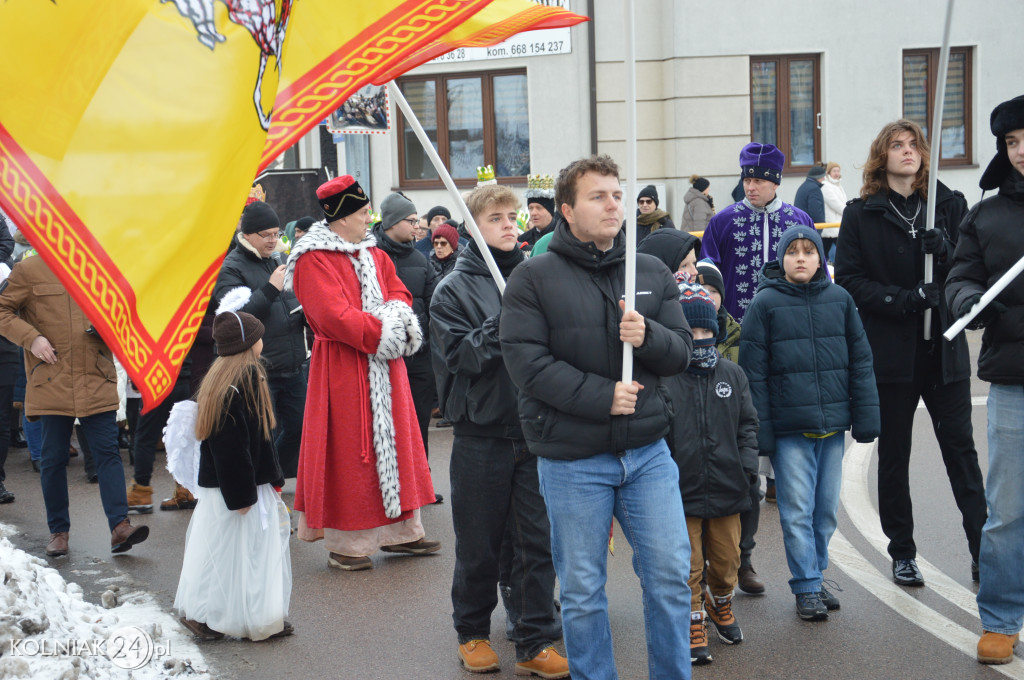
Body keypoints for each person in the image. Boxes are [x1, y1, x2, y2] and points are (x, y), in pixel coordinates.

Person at [500, 155, 694, 680]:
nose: (613, 204)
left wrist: (647, 336)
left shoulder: (649, 271)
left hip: (648, 454)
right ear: (566, 210)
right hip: (572, 460)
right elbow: (527, 365)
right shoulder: (533, 278)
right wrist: (602, 396)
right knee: (584, 590)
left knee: (671, 578)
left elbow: (683, 352)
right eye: (597, 196)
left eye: (616, 194)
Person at [834, 119, 986, 587]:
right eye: (897, 146)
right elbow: (851, 281)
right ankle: (902, 551)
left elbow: (970, 268)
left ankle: (984, 550)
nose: (907, 152)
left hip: (943, 350)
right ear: (883, 157)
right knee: (895, 454)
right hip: (894, 353)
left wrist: (946, 251)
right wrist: (904, 300)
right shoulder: (863, 213)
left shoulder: (948, 204)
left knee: (961, 452)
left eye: (914, 145)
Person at [431, 184, 568, 678]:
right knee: (479, 543)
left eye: (513, 216)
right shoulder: (453, 288)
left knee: (537, 542)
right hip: (481, 436)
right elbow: (460, 356)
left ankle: (533, 638)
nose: (510, 224)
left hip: (535, 432)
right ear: (473, 227)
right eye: (496, 218)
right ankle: (471, 632)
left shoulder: (535, 278)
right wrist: (502, 321)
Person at [286, 175, 439, 571]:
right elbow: (332, 316)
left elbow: (399, 293)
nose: (369, 218)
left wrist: (395, 319)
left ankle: (403, 533)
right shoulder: (311, 259)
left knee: (398, 445)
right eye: (361, 212)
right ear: (340, 218)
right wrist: (384, 333)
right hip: (343, 367)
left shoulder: (375, 254)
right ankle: (349, 543)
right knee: (351, 454)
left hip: (385, 367)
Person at [740, 225, 879, 621]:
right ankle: (805, 586)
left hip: (832, 426)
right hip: (789, 430)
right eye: (792, 252)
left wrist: (866, 417)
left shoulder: (840, 299)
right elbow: (753, 373)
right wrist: (760, 432)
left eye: (808, 251)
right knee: (796, 511)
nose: (800, 258)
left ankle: (815, 576)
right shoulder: (764, 304)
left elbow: (861, 361)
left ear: (821, 259)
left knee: (826, 512)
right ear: (781, 259)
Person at [945, 94, 1024, 665]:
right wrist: (970, 299)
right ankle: (1000, 617)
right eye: (1012, 142)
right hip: (1014, 379)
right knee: (1008, 508)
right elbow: (960, 278)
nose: (1020, 152)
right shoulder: (987, 215)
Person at [0, 254, 149, 556]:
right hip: (51, 380)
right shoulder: (28, 270)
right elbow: (2, 311)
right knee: (53, 460)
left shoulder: (100, 265)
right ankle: (59, 531)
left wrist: (111, 326)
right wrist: (32, 339)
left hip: (96, 375)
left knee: (108, 454)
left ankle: (120, 527)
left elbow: (128, 309)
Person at [174, 307, 292, 642]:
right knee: (226, 554)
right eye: (258, 336)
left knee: (251, 553)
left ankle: (257, 616)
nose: (262, 340)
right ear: (247, 344)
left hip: (250, 483)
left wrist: (274, 477)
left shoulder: (249, 377)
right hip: (235, 489)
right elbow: (230, 449)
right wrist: (241, 497)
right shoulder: (232, 388)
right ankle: (205, 615)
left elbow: (262, 438)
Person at [666, 280, 758, 665]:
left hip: (726, 488)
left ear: (716, 332)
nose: (699, 338)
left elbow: (748, 425)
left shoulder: (731, 375)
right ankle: (692, 621)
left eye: (706, 331)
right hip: (680, 491)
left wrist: (748, 466)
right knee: (686, 566)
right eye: (690, 332)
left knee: (725, 563)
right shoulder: (667, 378)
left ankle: (720, 602)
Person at [212, 201, 307, 479]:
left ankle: (272, 475)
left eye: (276, 234)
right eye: (266, 235)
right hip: (259, 369)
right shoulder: (231, 267)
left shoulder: (278, 259)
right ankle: (265, 483)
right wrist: (270, 289)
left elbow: (290, 305)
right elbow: (234, 319)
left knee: (300, 428)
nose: (273, 240)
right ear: (248, 234)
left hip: (294, 364)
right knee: (263, 435)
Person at [693, 257, 763, 596]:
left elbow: (747, 406)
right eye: (700, 288)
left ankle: (743, 561)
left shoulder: (738, 333)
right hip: (695, 453)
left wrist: (748, 461)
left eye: (713, 290)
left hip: (730, 446)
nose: (707, 295)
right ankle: (698, 587)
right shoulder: (682, 336)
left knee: (750, 495)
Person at [702, 143, 816, 322]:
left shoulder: (800, 221)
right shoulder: (722, 222)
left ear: (775, 183)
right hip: (734, 325)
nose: (750, 187)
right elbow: (707, 274)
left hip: (790, 322)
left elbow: (817, 273)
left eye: (758, 181)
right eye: (747, 180)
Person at [373, 193, 439, 476]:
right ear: (391, 222)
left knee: (418, 421)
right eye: (411, 220)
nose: (417, 226)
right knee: (384, 424)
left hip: (419, 360)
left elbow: (435, 303)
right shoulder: (368, 257)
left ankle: (419, 481)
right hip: (380, 360)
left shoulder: (420, 260)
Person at [518, 174, 559, 251]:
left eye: (539, 208)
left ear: (550, 210)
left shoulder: (562, 234)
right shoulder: (523, 239)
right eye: (530, 208)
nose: (533, 213)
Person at [820, 162, 847, 262]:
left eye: (838, 171)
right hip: (830, 226)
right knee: (825, 252)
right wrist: (848, 212)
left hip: (837, 225)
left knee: (831, 252)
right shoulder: (825, 186)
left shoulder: (838, 185)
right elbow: (835, 204)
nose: (836, 173)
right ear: (828, 172)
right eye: (834, 171)